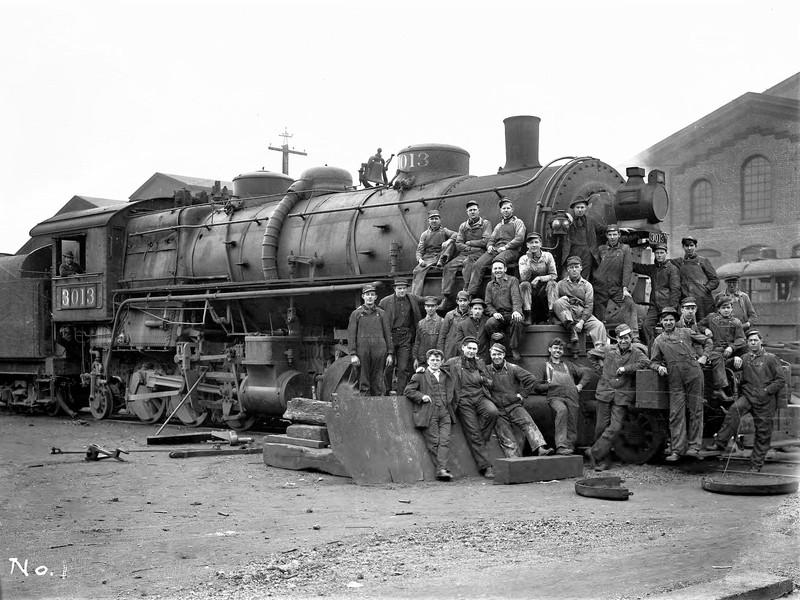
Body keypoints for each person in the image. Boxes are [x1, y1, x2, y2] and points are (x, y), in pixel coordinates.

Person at [704, 330, 786, 472]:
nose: (753, 343)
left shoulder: (771, 358)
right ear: (748, 343)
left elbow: (780, 380)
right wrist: (734, 360)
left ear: (761, 341)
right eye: (750, 341)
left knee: (763, 432)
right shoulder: (745, 357)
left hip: (765, 400)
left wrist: (766, 391)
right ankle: (720, 443)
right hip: (748, 396)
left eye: (755, 340)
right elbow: (727, 367)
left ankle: (756, 465)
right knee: (733, 411)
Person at [649, 306, 712, 462]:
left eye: (671, 319)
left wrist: (704, 357)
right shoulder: (658, 341)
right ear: (661, 322)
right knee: (676, 413)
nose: (668, 322)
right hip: (674, 377)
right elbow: (653, 362)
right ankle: (678, 450)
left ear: (675, 321)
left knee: (696, 410)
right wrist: (659, 367)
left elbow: (708, 341)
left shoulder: (686, 332)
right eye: (665, 320)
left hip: (693, 373)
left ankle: (694, 448)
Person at [585, 324, 650, 471]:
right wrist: (602, 371)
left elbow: (645, 362)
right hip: (605, 392)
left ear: (630, 338)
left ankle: (593, 452)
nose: (623, 341)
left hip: (621, 395)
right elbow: (591, 354)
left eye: (626, 338)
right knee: (601, 428)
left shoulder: (636, 352)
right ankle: (603, 460)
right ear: (617, 339)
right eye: (620, 338)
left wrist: (626, 369)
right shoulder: (608, 349)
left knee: (615, 427)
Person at [442, 336, 499, 479]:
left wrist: (482, 379)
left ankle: (479, 437)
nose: (472, 351)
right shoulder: (452, 362)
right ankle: (486, 467)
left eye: (474, 349)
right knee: (473, 432)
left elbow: (491, 383)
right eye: (469, 348)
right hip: (463, 401)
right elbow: (437, 371)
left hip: (480, 397)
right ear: (463, 348)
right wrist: (422, 371)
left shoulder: (480, 363)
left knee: (493, 412)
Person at [487, 343, 554, 458]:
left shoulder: (513, 368)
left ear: (503, 355)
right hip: (499, 410)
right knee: (506, 437)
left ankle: (541, 449)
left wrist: (522, 394)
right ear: (490, 355)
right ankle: (514, 460)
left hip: (514, 405)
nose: (496, 357)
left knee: (529, 424)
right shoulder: (487, 369)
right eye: (494, 354)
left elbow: (531, 379)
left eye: (499, 354)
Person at [404, 348, 458, 481]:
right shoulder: (419, 376)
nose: (435, 362)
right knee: (434, 442)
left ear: (442, 362)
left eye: (437, 360)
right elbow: (408, 391)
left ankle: (441, 469)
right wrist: (422, 396)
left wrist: (451, 406)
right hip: (429, 412)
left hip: (445, 412)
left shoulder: (446, 375)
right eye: (432, 360)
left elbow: (453, 392)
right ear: (427, 361)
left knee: (444, 440)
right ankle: (441, 469)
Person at [532, 337, 590, 455]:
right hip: (555, 397)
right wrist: (550, 385)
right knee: (562, 411)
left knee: (572, 420)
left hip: (572, 396)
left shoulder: (568, 365)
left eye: (560, 349)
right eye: (555, 348)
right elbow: (536, 386)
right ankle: (561, 446)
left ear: (563, 351)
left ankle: (570, 448)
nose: (557, 350)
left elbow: (586, 374)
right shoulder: (544, 366)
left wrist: (580, 385)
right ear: (550, 349)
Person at [465, 197, 525, 297]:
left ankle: (495, 294)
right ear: (501, 211)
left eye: (508, 208)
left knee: (497, 262)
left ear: (512, 209)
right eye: (503, 209)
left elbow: (519, 238)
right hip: (497, 249)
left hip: (511, 250)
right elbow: (491, 239)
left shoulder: (518, 222)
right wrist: (489, 246)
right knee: (478, 264)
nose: (506, 210)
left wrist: (505, 247)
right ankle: (471, 294)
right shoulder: (498, 225)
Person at [439, 200, 491, 309]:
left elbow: (486, 240)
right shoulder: (463, 226)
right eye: (470, 210)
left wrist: (471, 243)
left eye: (474, 210)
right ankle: (446, 296)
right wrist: (470, 247)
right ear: (467, 212)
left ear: (478, 211)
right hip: (466, 252)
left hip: (479, 252)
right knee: (448, 267)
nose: (472, 212)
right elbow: (458, 243)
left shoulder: (485, 224)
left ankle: (468, 290)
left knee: (469, 262)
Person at [592, 224, 639, 341]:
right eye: (610, 235)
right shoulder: (601, 249)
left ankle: (635, 336)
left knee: (629, 304)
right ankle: (599, 341)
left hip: (617, 288)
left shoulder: (625, 249)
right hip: (601, 287)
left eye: (615, 234)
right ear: (606, 236)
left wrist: (625, 287)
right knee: (598, 315)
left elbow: (627, 268)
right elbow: (594, 266)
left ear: (619, 235)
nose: (612, 237)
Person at [552, 256, 609, 349]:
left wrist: (582, 322)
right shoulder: (560, 284)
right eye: (571, 267)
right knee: (559, 302)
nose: (574, 270)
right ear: (568, 269)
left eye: (576, 267)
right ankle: (572, 330)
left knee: (599, 325)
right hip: (567, 313)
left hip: (582, 314)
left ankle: (600, 354)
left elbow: (589, 305)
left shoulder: (587, 285)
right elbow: (555, 304)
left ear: (581, 268)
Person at [347, 284, 393, 396]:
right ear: (363, 296)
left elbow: (388, 334)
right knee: (364, 382)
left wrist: (390, 353)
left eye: (372, 295)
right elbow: (351, 335)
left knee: (378, 383)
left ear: (376, 297)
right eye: (367, 295)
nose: (370, 297)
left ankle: (376, 409)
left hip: (379, 351)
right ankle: (364, 410)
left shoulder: (381, 313)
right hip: (362, 351)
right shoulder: (356, 314)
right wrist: (353, 354)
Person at [698, 295, 747, 401]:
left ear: (732, 308)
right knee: (717, 358)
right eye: (723, 308)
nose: (726, 310)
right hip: (713, 351)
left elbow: (741, 340)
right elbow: (699, 326)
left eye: (728, 307)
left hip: (727, 352)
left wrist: (732, 347)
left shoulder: (736, 323)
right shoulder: (711, 318)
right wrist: (705, 329)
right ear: (719, 309)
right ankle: (719, 389)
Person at [632, 243, 680, 347]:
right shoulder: (654, 268)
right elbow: (639, 267)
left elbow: (675, 290)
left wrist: (671, 309)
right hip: (654, 305)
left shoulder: (672, 269)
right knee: (646, 326)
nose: (659, 255)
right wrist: (625, 261)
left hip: (667, 305)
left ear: (666, 253)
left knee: (668, 328)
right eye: (657, 253)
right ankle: (654, 348)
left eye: (661, 253)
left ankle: (669, 349)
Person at [379, 278, 422, 394]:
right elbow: (377, 314)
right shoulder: (385, 302)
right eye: (399, 288)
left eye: (404, 288)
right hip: (391, 336)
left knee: (403, 367)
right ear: (394, 289)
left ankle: (400, 393)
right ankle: (386, 391)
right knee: (388, 366)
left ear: (407, 289)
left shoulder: (411, 299)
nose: (402, 290)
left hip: (406, 337)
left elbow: (425, 300)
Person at [483, 258, 524, 361]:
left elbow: (516, 297)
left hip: (511, 313)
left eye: (500, 268)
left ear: (505, 269)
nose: (498, 270)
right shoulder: (490, 285)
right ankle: (499, 344)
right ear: (492, 270)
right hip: (499, 315)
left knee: (517, 320)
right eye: (495, 268)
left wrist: (516, 311)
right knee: (489, 323)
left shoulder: (512, 280)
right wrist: (494, 313)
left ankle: (514, 347)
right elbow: (488, 303)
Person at [672, 236, 720, 321]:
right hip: (687, 301)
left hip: (703, 302)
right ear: (683, 247)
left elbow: (715, 280)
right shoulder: (679, 262)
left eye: (691, 245)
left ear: (695, 246)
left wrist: (705, 290)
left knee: (704, 324)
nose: (689, 248)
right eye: (686, 246)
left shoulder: (703, 261)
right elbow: (664, 262)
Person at [411, 210, 457, 296]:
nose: (434, 221)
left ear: (440, 220)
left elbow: (456, 235)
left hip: (442, 255)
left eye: (436, 218)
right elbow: (419, 250)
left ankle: (442, 260)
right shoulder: (424, 234)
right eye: (432, 219)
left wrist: (448, 241)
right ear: (429, 221)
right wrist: (420, 260)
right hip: (429, 258)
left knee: (452, 243)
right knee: (417, 271)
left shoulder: (444, 231)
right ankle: (415, 297)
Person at [518, 232, 558, 325]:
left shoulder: (548, 256)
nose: (534, 245)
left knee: (553, 284)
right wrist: (529, 261)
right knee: (524, 285)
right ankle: (528, 315)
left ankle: (552, 315)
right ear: (527, 245)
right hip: (530, 287)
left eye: (536, 242)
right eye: (531, 243)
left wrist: (540, 278)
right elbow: (524, 278)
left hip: (544, 286)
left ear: (540, 244)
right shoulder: (523, 259)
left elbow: (554, 275)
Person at [562, 196, 601, 281]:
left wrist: (617, 228)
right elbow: (552, 220)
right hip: (573, 252)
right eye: (577, 207)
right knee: (568, 278)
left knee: (584, 279)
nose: (580, 210)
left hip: (587, 254)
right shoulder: (567, 219)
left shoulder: (591, 220)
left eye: (582, 207)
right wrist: (567, 219)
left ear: (586, 208)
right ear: (573, 208)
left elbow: (602, 229)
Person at [437, 291, 471, 360]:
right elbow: (442, 335)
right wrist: (440, 353)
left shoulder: (471, 315)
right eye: (460, 301)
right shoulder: (450, 315)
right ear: (457, 301)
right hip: (450, 349)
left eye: (465, 301)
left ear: (469, 301)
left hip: (465, 349)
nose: (463, 303)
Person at [412, 296, 444, 369]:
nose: (430, 308)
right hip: (423, 359)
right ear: (424, 307)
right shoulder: (420, 323)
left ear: (436, 307)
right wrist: (415, 358)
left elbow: (443, 341)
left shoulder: (442, 322)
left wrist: (442, 358)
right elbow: (417, 341)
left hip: (436, 359)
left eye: (432, 306)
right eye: (428, 306)